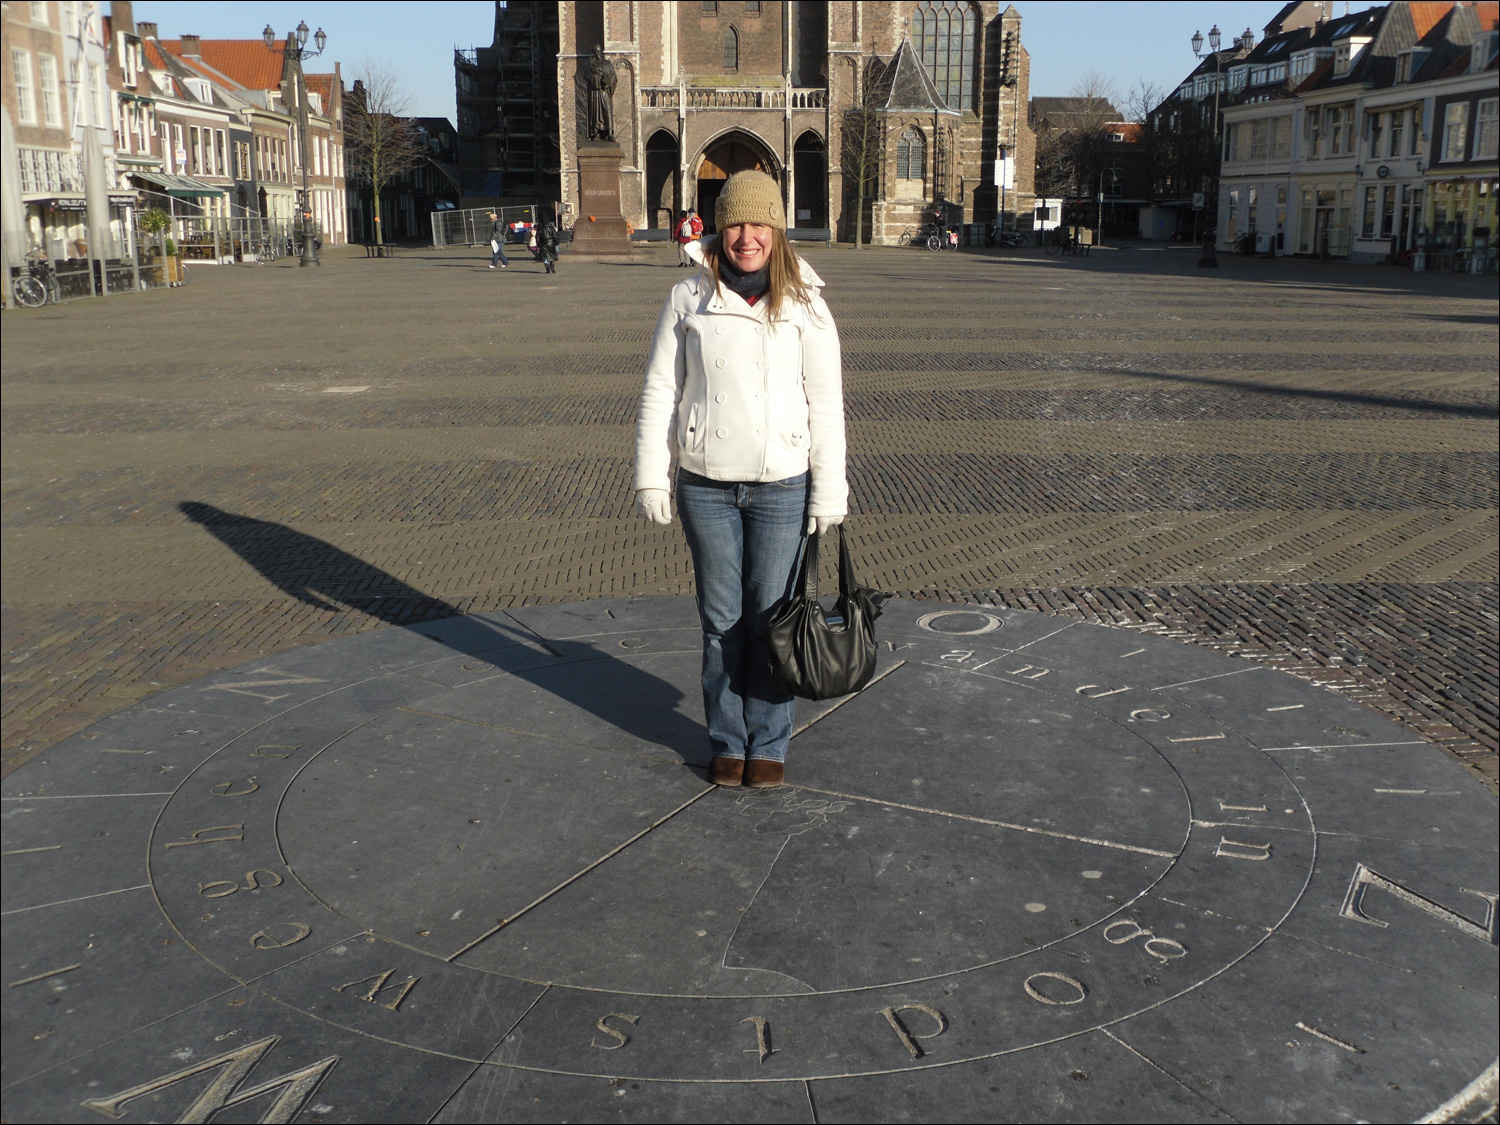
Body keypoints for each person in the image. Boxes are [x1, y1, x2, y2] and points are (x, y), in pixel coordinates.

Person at [634, 170, 846, 790]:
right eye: (735, 223)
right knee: (720, 617)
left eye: (759, 224)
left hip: (783, 484)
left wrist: (829, 490)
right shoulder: (686, 297)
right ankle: (728, 739)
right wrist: (653, 474)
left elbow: (826, 403)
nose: (746, 237)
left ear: (776, 232)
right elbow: (659, 391)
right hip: (707, 483)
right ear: (718, 229)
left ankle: (771, 741)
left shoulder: (807, 304)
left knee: (773, 616)